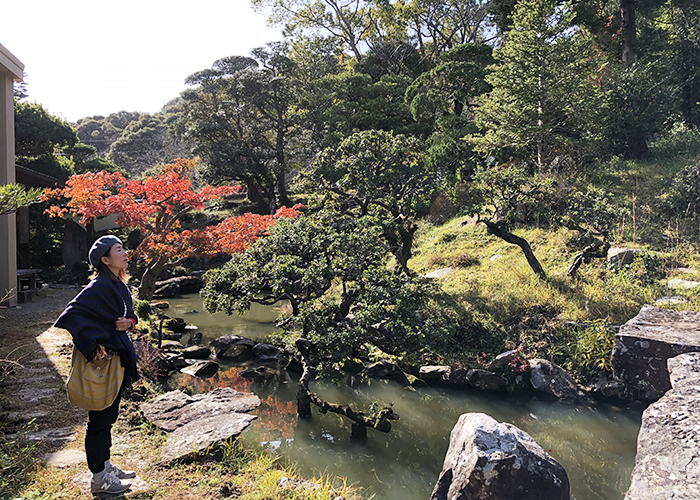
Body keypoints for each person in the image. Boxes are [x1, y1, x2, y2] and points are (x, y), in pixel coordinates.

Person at [54, 235, 139, 494]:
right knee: (100, 419)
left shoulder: (119, 285)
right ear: (105, 259)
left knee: (108, 417)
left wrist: (130, 323)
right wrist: (92, 347)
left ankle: (106, 465)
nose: (125, 253)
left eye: (123, 248)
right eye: (119, 249)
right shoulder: (100, 286)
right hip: (106, 363)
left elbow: (129, 314)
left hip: (119, 360)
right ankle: (99, 478)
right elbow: (72, 314)